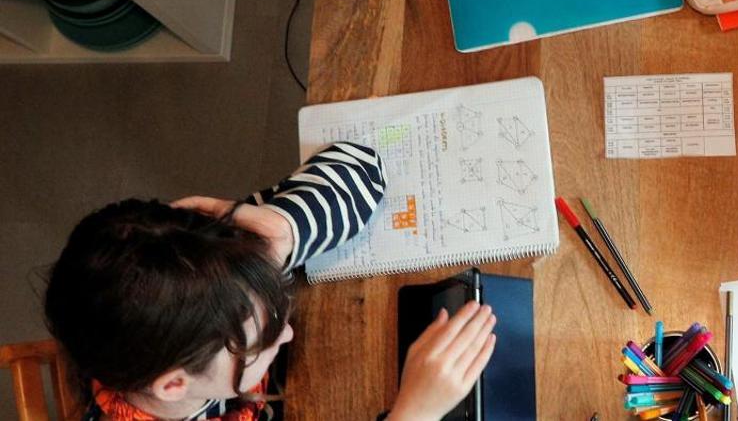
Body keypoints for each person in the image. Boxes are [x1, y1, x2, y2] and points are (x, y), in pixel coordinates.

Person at [44, 142, 495, 420]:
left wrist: (286, 229)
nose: (290, 331)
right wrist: (412, 415)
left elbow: (360, 164)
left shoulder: (211, 276)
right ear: (175, 385)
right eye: (263, 339)